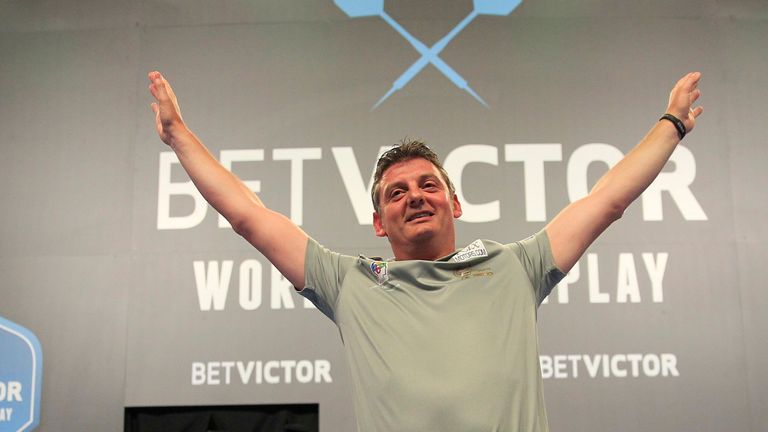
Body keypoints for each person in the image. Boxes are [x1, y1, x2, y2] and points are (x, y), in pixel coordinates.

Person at [148, 71, 703, 431]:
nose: (415, 195)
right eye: (397, 192)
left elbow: (605, 200)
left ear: (455, 205)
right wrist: (177, 135)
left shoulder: (516, 266)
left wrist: (672, 123)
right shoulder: (349, 282)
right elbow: (249, 215)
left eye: (428, 185)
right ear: (377, 222)